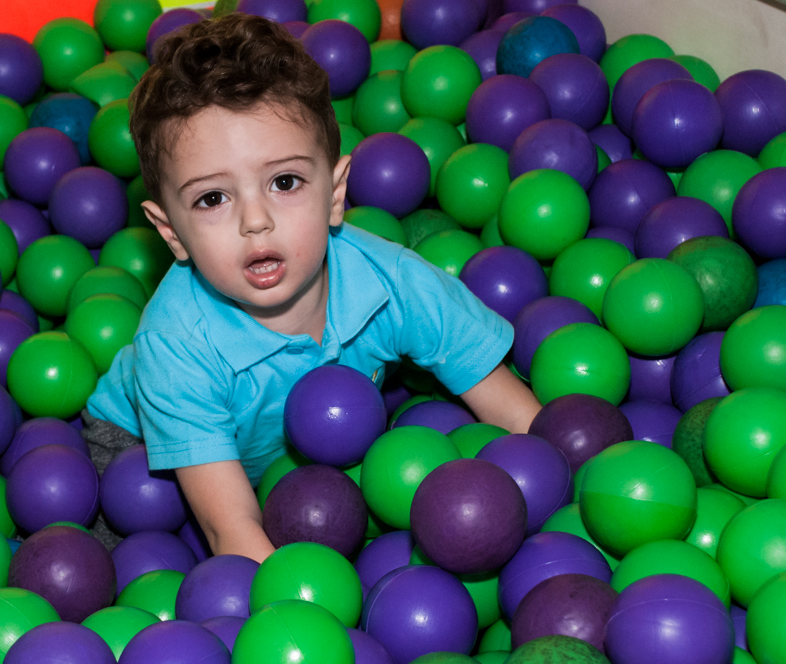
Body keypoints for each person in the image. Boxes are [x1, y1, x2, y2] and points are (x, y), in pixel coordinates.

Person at [84, 12, 542, 561]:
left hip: (303, 460)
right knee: (123, 551)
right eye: (212, 198)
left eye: (285, 182)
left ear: (334, 193)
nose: (255, 220)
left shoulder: (394, 284)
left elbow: (520, 421)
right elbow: (229, 530)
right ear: (170, 233)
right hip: (139, 446)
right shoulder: (177, 346)